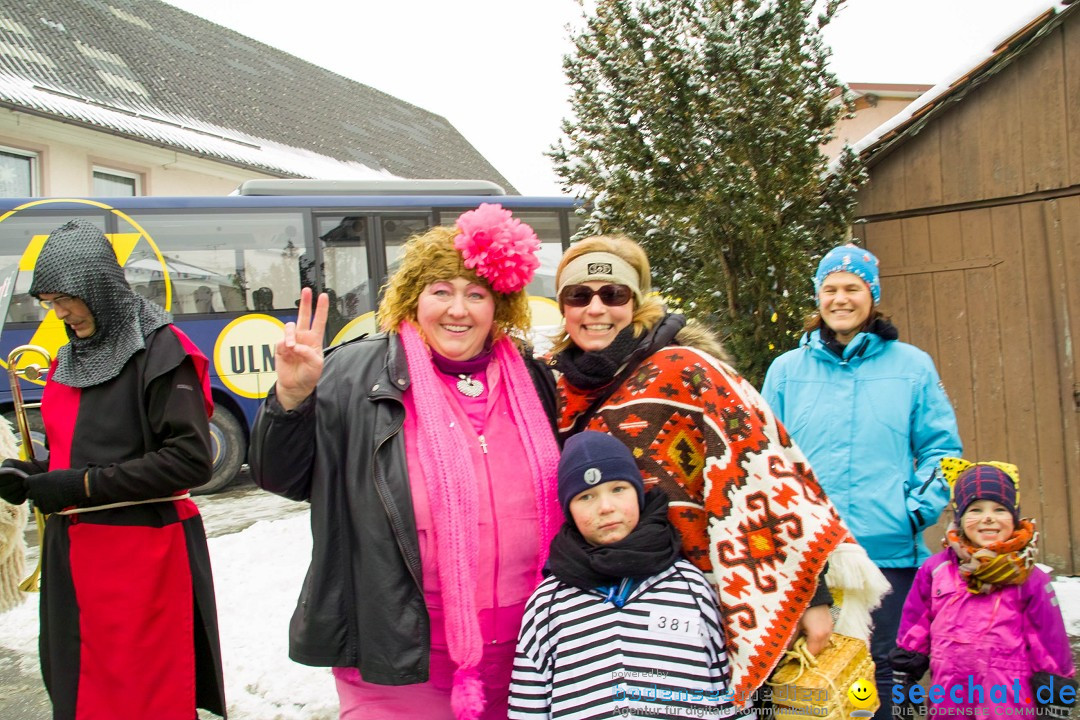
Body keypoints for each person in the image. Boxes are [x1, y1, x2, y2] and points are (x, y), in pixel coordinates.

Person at [249, 203, 561, 720]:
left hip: (529, 656)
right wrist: (292, 399)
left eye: (476, 294)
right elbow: (282, 475)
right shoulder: (355, 372)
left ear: (498, 306)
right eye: (441, 291)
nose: (458, 309)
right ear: (413, 299)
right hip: (399, 654)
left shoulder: (533, 381)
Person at [549, 234, 850, 708]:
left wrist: (810, 598)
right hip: (598, 613)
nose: (595, 309)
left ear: (637, 301)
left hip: (701, 607)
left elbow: (766, 477)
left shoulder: (688, 370)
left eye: (613, 294)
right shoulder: (554, 389)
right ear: (563, 307)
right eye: (578, 296)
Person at [0, 219, 226, 719]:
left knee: (139, 700)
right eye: (50, 301)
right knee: (79, 694)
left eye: (65, 298)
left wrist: (74, 485)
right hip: (73, 559)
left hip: (140, 563)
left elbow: (190, 461)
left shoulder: (163, 350)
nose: (58, 311)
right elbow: (80, 451)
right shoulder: (71, 355)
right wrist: (31, 472)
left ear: (94, 286)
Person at [761, 243, 963, 720]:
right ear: (818, 297)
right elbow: (764, 456)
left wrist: (915, 509)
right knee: (807, 682)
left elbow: (945, 452)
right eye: (830, 289)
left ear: (872, 295)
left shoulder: (913, 366)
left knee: (884, 682)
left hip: (889, 555)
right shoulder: (787, 370)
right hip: (811, 561)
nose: (840, 299)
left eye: (853, 288)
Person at [509, 431, 740, 720]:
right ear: (568, 509)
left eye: (618, 489)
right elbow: (527, 708)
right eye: (586, 496)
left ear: (638, 492)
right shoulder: (549, 604)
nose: (605, 507)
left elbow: (729, 693)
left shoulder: (689, 587)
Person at [889, 459, 1076, 717]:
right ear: (960, 516)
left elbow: (1048, 640)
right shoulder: (935, 570)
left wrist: (1055, 696)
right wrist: (905, 674)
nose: (988, 518)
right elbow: (916, 621)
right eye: (975, 509)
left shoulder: (1029, 577)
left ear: (1014, 517)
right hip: (950, 696)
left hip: (1008, 699)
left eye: (1000, 509)